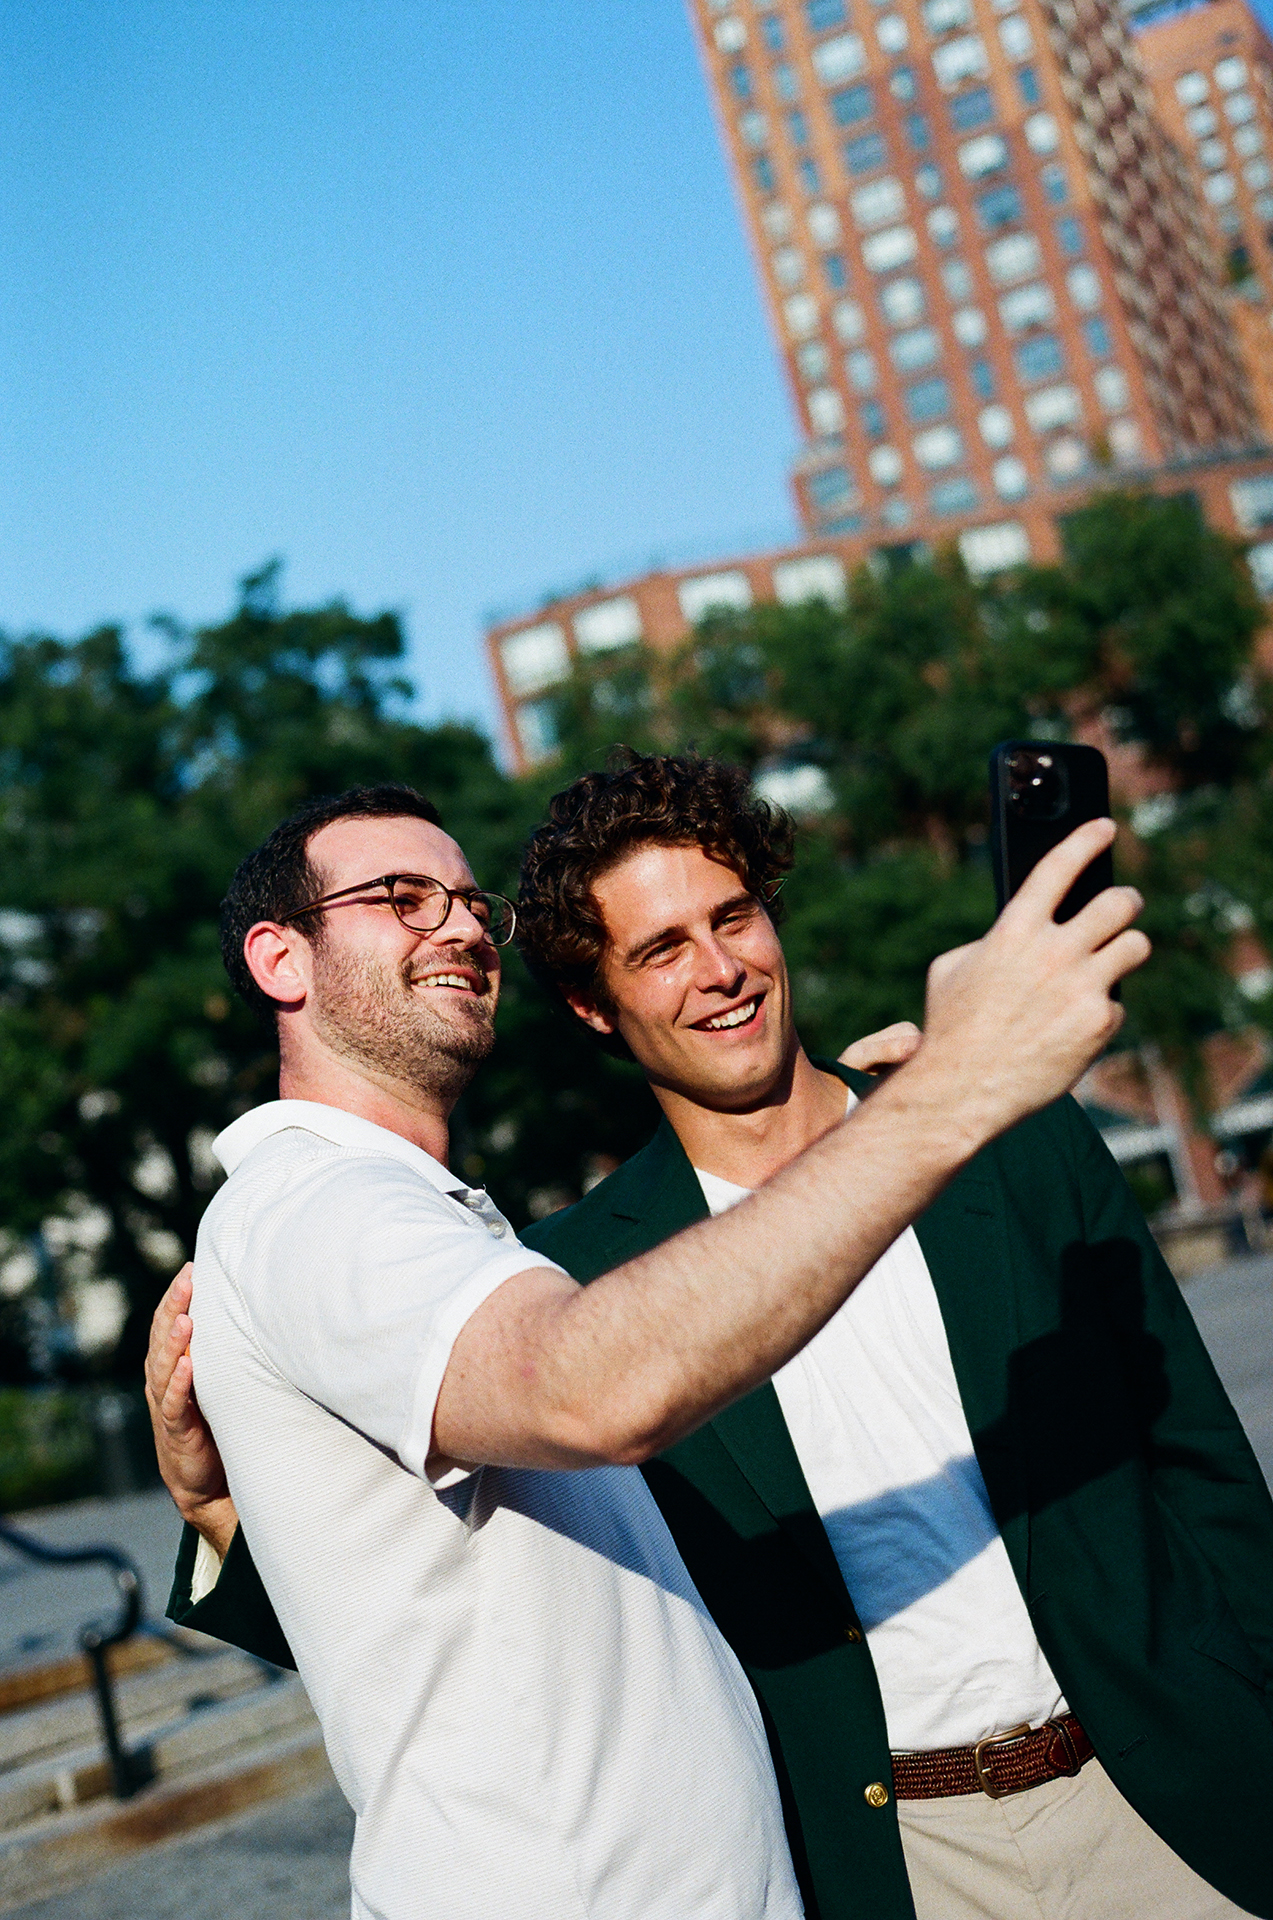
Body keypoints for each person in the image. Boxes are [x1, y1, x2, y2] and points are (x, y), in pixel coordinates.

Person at [148, 773, 1151, 1920]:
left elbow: (479, 1599)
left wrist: (236, 1515)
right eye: (402, 897)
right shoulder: (318, 1210)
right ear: (281, 960)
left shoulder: (458, 1230)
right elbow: (591, 1385)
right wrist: (955, 1090)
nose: (462, 922)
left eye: (471, 900)